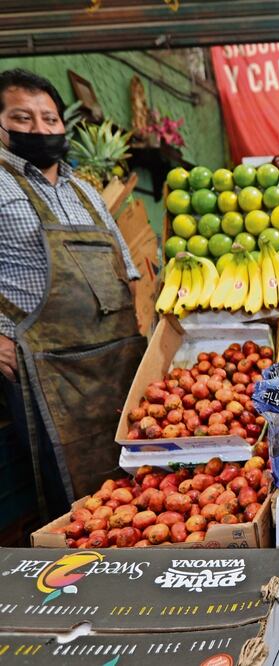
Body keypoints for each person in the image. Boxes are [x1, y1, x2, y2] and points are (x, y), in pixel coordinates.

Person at [0, 69, 147, 519]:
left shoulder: (84, 190)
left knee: (138, 485)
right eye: (22, 118)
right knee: (79, 506)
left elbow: (126, 269)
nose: (39, 129)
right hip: (48, 371)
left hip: (115, 365)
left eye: (49, 119)